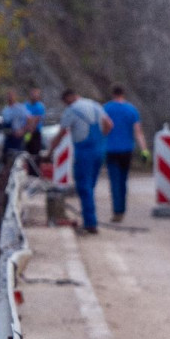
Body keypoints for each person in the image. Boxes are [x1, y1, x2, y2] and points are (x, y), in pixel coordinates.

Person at [49, 89, 113, 234]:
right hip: (99, 151)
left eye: (65, 102)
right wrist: (101, 140)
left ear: (69, 98)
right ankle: (89, 219)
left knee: (84, 187)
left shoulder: (72, 110)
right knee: (90, 186)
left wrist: (50, 153)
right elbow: (109, 125)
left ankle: (90, 223)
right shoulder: (95, 105)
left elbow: (61, 134)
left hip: (84, 152)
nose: (65, 105)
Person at [102, 85, 149, 223]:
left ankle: (117, 211)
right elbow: (138, 132)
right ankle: (122, 209)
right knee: (123, 180)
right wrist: (144, 150)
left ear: (112, 94)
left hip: (111, 150)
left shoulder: (106, 108)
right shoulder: (131, 110)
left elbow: (102, 128)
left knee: (114, 181)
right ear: (124, 94)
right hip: (127, 150)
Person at [1, 89, 33, 162]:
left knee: (18, 158)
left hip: (18, 136)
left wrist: (22, 131)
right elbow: (4, 123)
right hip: (9, 136)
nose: (10, 98)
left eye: (11, 96)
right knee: (6, 157)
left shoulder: (20, 108)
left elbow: (29, 120)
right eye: (8, 96)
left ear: (15, 97)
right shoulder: (5, 110)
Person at [25, 87, 46, 155]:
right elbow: (25, 117)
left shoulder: (40, 106)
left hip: (36, 132)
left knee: (35, 152)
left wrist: (31, 126)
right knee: (26, 151)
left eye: (36, 94)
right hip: (27, 132)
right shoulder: (26, 105)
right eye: (32, 94)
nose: (34, 96)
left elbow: (37, 119)